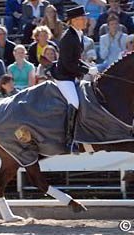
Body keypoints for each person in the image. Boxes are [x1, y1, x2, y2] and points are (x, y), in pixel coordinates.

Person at [55, 6, 98, 153]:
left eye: (84, 17)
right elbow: (68, 64)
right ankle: (69, 141)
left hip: (72, 75)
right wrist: (86, 70)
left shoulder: (78, 34)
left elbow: (77, 59)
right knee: (74, 102)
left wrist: (89, 67)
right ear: (74, 21)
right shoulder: (68, 38)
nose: (85, 20)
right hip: (64, 77)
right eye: (82, 18)